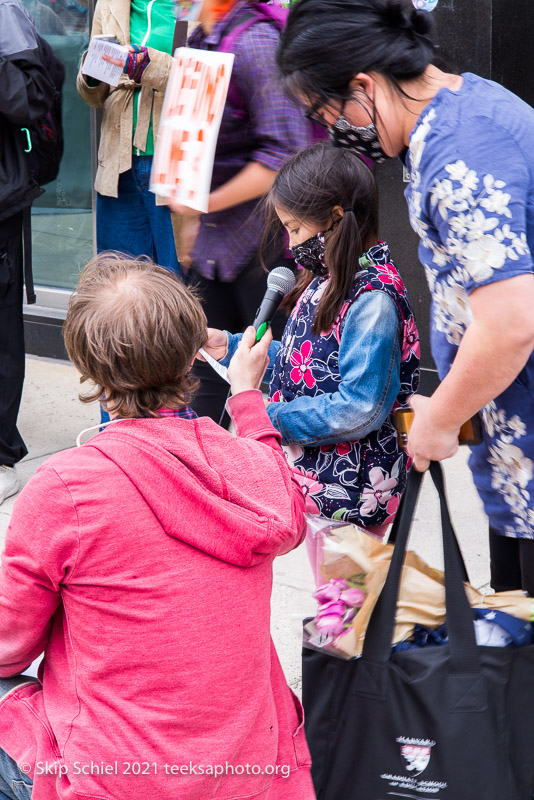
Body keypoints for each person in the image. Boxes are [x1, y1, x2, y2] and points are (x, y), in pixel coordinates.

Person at [0, 253, 315, 800]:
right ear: (192, 351)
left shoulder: (67, 488)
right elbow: (274, 478)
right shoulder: (254, 470)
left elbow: (8, 645)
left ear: (88, 365)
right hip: (251, 773)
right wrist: (247, 397)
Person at [275, 0, 534, 594]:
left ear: (363, 85)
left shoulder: (459, 150)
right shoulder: (461, 113)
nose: (330, 131)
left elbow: (511, 323)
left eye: (325, 110)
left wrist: (438, 418)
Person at [202, 143, 420, 536]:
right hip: (320, 480)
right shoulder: (331, 278)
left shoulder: (373, 300)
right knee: (336, 595)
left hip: (351, 493)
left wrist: (268, 419)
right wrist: (232, 347)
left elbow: (360, 407)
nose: (291, 244)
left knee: (346, 597)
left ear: (336, 218)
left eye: (296, 229)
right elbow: (309, 363)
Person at [170, 0, 313, 423]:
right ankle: (203, 483)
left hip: (268, 245)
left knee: (277, 385)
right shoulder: (203, 37)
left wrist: (204, 205)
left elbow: (285, 152)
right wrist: (196, 222)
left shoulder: (255, 41)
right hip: (219, 243)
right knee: (204, 377)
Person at [0, 0, 59, 505]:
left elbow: (32, 102)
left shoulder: (7, 17)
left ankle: (0, 456)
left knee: (0, 331)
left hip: (0, 197)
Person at [76, 0, 182, 275]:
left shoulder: (199, 6)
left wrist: (147, 66)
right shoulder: (109, 3)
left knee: (179, 284)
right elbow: (95, 96)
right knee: (119, 283)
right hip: (118, 164)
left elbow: (208, 77)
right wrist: (90, 75)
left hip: (175, 160)